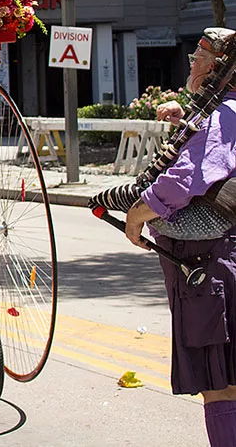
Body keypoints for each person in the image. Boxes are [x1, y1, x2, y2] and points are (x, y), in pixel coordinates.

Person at [124, 28, 236, 446]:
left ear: (217, 68)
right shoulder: (223, 112)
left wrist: (136, 216)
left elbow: (183, 181)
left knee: (219, 382)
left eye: (198, 57)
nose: (191, 64)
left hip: (209, 266)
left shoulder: (222, 116)